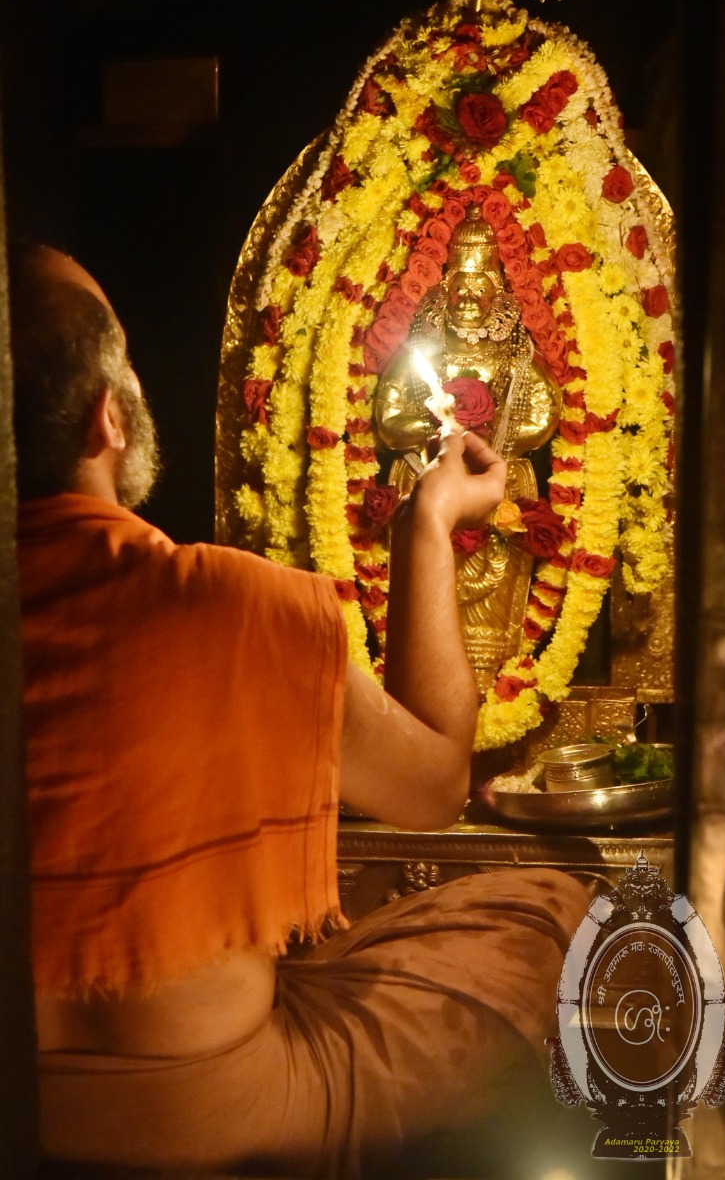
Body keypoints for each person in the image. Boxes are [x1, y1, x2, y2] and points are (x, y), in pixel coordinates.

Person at [12, 243, 590, 1178]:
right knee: (548, 906)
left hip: (22, 1114)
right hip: (221, 1109)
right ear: (105, 420)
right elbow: (433, 786)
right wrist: (426, 524)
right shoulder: (228, 604)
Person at [375, 205, 561, 696]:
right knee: (421, 603)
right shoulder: (420, 354)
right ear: (443, 292)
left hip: (497, 489)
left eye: (480, 290)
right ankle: (420, 696)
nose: (468, 301)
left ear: (498, 295)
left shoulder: (516, 358)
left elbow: (543, 419)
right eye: (460, 290)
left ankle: (489, 685)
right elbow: (390, 421)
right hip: (423, 477)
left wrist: (484, 433)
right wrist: (441, 430)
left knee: (488, 623)